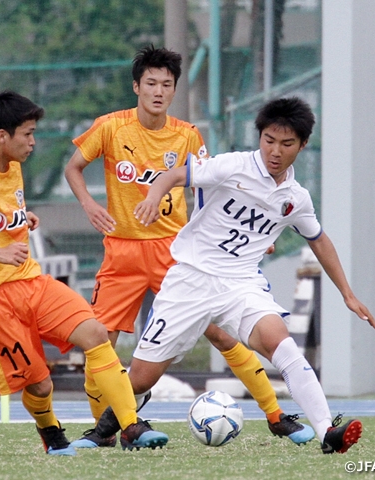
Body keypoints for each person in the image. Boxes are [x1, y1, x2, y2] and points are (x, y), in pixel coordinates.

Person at [93, 96, 375, 454]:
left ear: (302, 145)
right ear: (259, 137)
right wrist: (153, 196)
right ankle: (105, 427)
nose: (275, 151)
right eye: (269, 140)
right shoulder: (232, 167)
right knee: (142, 377)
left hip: (240, 283)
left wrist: (347, 294)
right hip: (191, 278)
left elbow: (319, 240)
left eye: (287, 144)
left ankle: (326, 432)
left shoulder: (296, 198)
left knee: (281, 342)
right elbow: (174, 174)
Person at [64, 44, 314, 448]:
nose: (158, 91)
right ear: (136, 87)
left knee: (221, 333)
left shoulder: (186, 135)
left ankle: (276, 415)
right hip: (122, 252)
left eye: (166, 84)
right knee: (99, 342)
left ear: (174, 90)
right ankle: (112, 429)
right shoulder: (110, 127)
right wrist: (90, 205)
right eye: (151, 83)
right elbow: (73, 166)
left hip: (174, 251)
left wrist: (239, 234)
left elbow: (210, 187)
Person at [0, 90, 169, 455]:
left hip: (30, 281)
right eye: (27, 133)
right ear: (2, 136)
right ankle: (52, 435)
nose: (33, 141)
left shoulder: (12, 166)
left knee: (94, 333)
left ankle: (130, 426)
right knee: (40, 386)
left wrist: (20, 220)